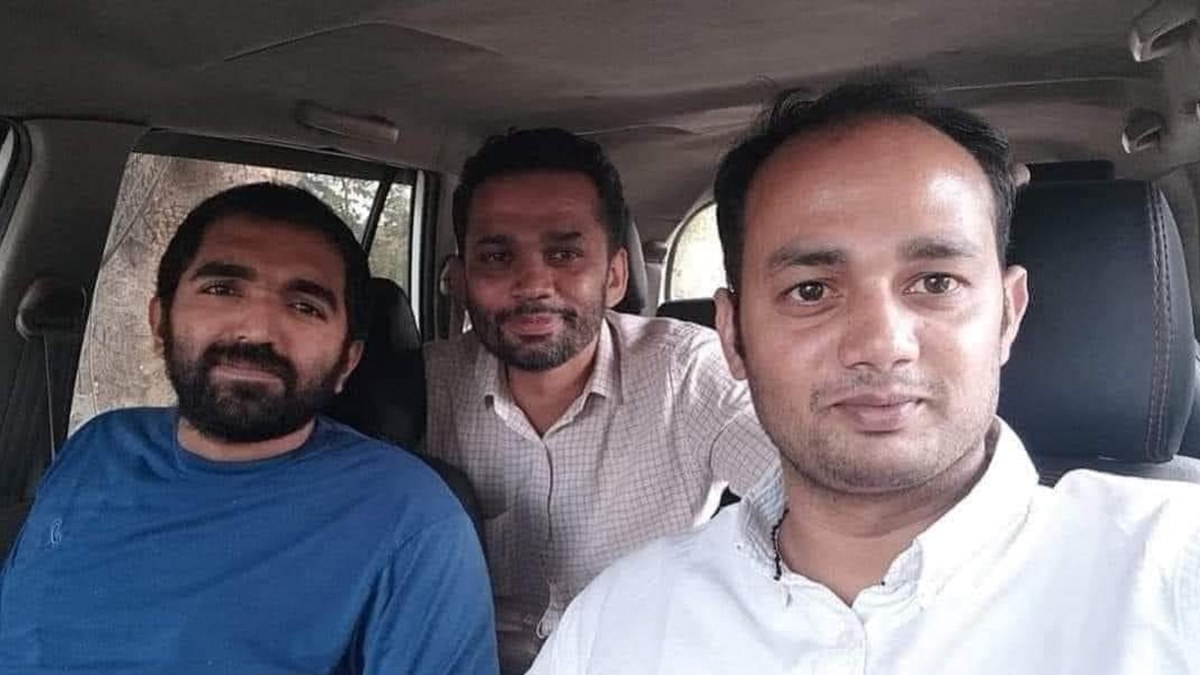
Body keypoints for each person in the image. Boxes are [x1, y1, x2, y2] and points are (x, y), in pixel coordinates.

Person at [528, 81, 1200, 674]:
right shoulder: (617, 622)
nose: (881, 343)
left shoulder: (1171, 572)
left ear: (1007, 314)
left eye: (936, 282)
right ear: (732, 336)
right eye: (811, 290)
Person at [0, 183, 498, 674]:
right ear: (160, 322)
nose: (257, 331)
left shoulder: (411, 518)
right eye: (222, 290)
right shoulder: (96, 447)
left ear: (348, 361)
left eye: (305, 306)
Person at [423, 129, 778, 668]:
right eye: (497, 256)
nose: (533, 283)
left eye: (564, 253)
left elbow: (813, 499)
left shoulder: (687, 374)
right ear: (461, 279)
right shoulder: (421, 388)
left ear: (614, 276)